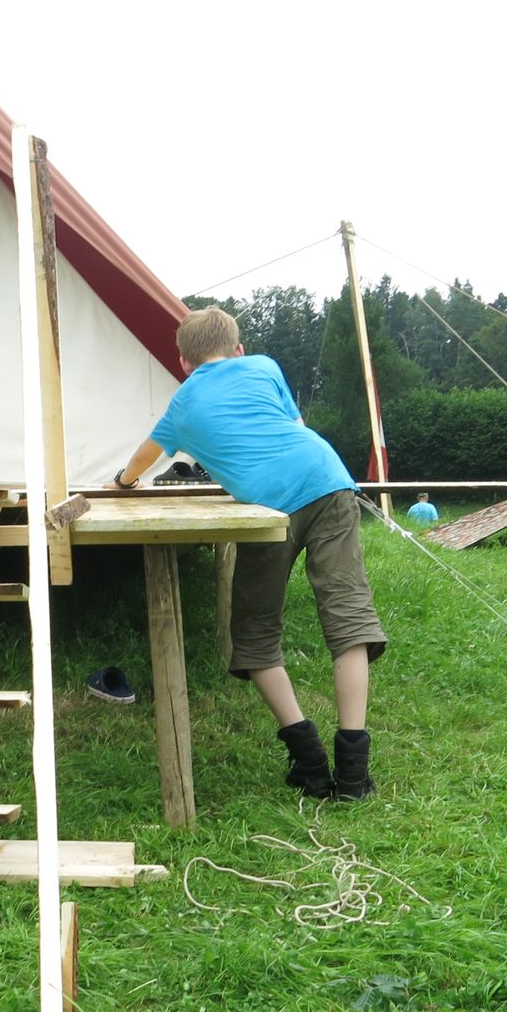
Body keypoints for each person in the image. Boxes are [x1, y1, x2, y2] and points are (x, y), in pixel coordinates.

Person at [115, 307, 387, 799]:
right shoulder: (264, 366)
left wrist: (124, 482)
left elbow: (140, 460)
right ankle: (353, 775)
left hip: (269, 508)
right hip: (328, 479)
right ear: (238, 349)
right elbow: (293, 425)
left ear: (183, 363)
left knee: (256, 631)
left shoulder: (182, 404)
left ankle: (309, 761)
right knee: (348, 615)